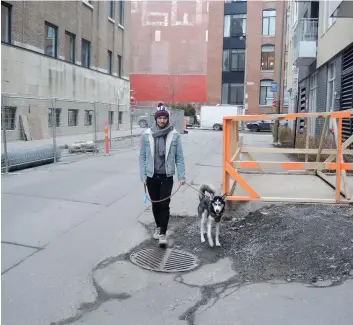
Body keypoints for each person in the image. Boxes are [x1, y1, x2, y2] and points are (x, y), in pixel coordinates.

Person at [139, 103, 185, 247]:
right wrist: (143, 176)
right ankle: (159, 227)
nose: (162, 120)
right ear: (156, 119)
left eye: (165, 118)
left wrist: (181, 176)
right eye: (160, 118)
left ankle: (163, 233)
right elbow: (142, 157)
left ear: (167, 119)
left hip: (167, 175)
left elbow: (179, 157)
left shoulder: (174, 135)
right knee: (156, 204)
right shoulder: (147, 135)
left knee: (165, 204)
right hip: (151, 176)